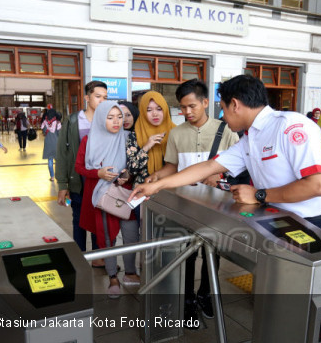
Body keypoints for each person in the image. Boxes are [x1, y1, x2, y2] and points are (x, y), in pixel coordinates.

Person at [129, 75, 321, 343]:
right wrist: (158, 185)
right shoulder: (250, 139)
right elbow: (209, 167)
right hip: (284, 223)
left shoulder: (292, 126)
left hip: (320, 224)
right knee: (289, 305)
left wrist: (259, 195)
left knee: (319, 307)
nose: (221, 114)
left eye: (222, 107)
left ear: (235, 104)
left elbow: (318, 184)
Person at [145, 79, 239, 327]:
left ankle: (206, 296)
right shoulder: (177, 133)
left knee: (213, 253)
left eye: (191, 106)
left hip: (217, 205)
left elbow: (238, 167)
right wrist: (157, 177)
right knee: (185, 253)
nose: (186, 112)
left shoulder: (226, 130)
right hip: (184, 204)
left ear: (205, 102)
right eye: (182, 107)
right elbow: (172, 167)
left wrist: (219, 175)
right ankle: (186, 300)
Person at [74, 101, 129, 298]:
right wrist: (97, 172)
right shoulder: (89, 140)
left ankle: (130, 272)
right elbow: (79, 167)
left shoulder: (127, 138)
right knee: (106, 236)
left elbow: (135, 163)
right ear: (100, 119)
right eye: (110, 117)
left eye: (120, 117)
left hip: (124, 193)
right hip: (99, 195)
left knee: (131, 235)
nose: (116, 121)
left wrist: (126, 175)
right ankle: (113, 277)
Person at [56, 80, 108, 266]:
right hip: (79, 180)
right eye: (98, 96)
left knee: (98, 220)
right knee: (79, 220)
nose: (102, 101)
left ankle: (97, 258)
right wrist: (62, 185)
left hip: (100, 182)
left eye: (105, 97)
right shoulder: (72, 121)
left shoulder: (109, 120)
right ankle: (79, 258)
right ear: (87, 98)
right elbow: (62, 154)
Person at [115, 99, 159, 286]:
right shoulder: (130, 137)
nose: (124, 119)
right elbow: (131, 166)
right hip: (132, 193)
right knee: (130, 234)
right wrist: (147, 147)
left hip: (157, 194)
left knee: (151, 236)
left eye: (128, 114)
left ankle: (147, 271)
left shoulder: (166, 133)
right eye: (120, 115)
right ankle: (130, 272)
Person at [133, 91, 176, 183]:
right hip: (143, 189)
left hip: (172, 187)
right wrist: (146, 147)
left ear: (165, 109)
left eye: (159, 109)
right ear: (143, 112)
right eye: (149, 110)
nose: (155, 114)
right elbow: (132, 170)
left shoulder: (176, 132)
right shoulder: (135, 135)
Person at [41, 109, 61, 181]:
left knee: (50, 161)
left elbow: (43, 132)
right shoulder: (58, 123)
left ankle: (52, 177)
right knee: (58, 160)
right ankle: (59, 176)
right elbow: (60, 134)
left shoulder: (44, 122)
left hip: (48, 143)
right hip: (56, 143)